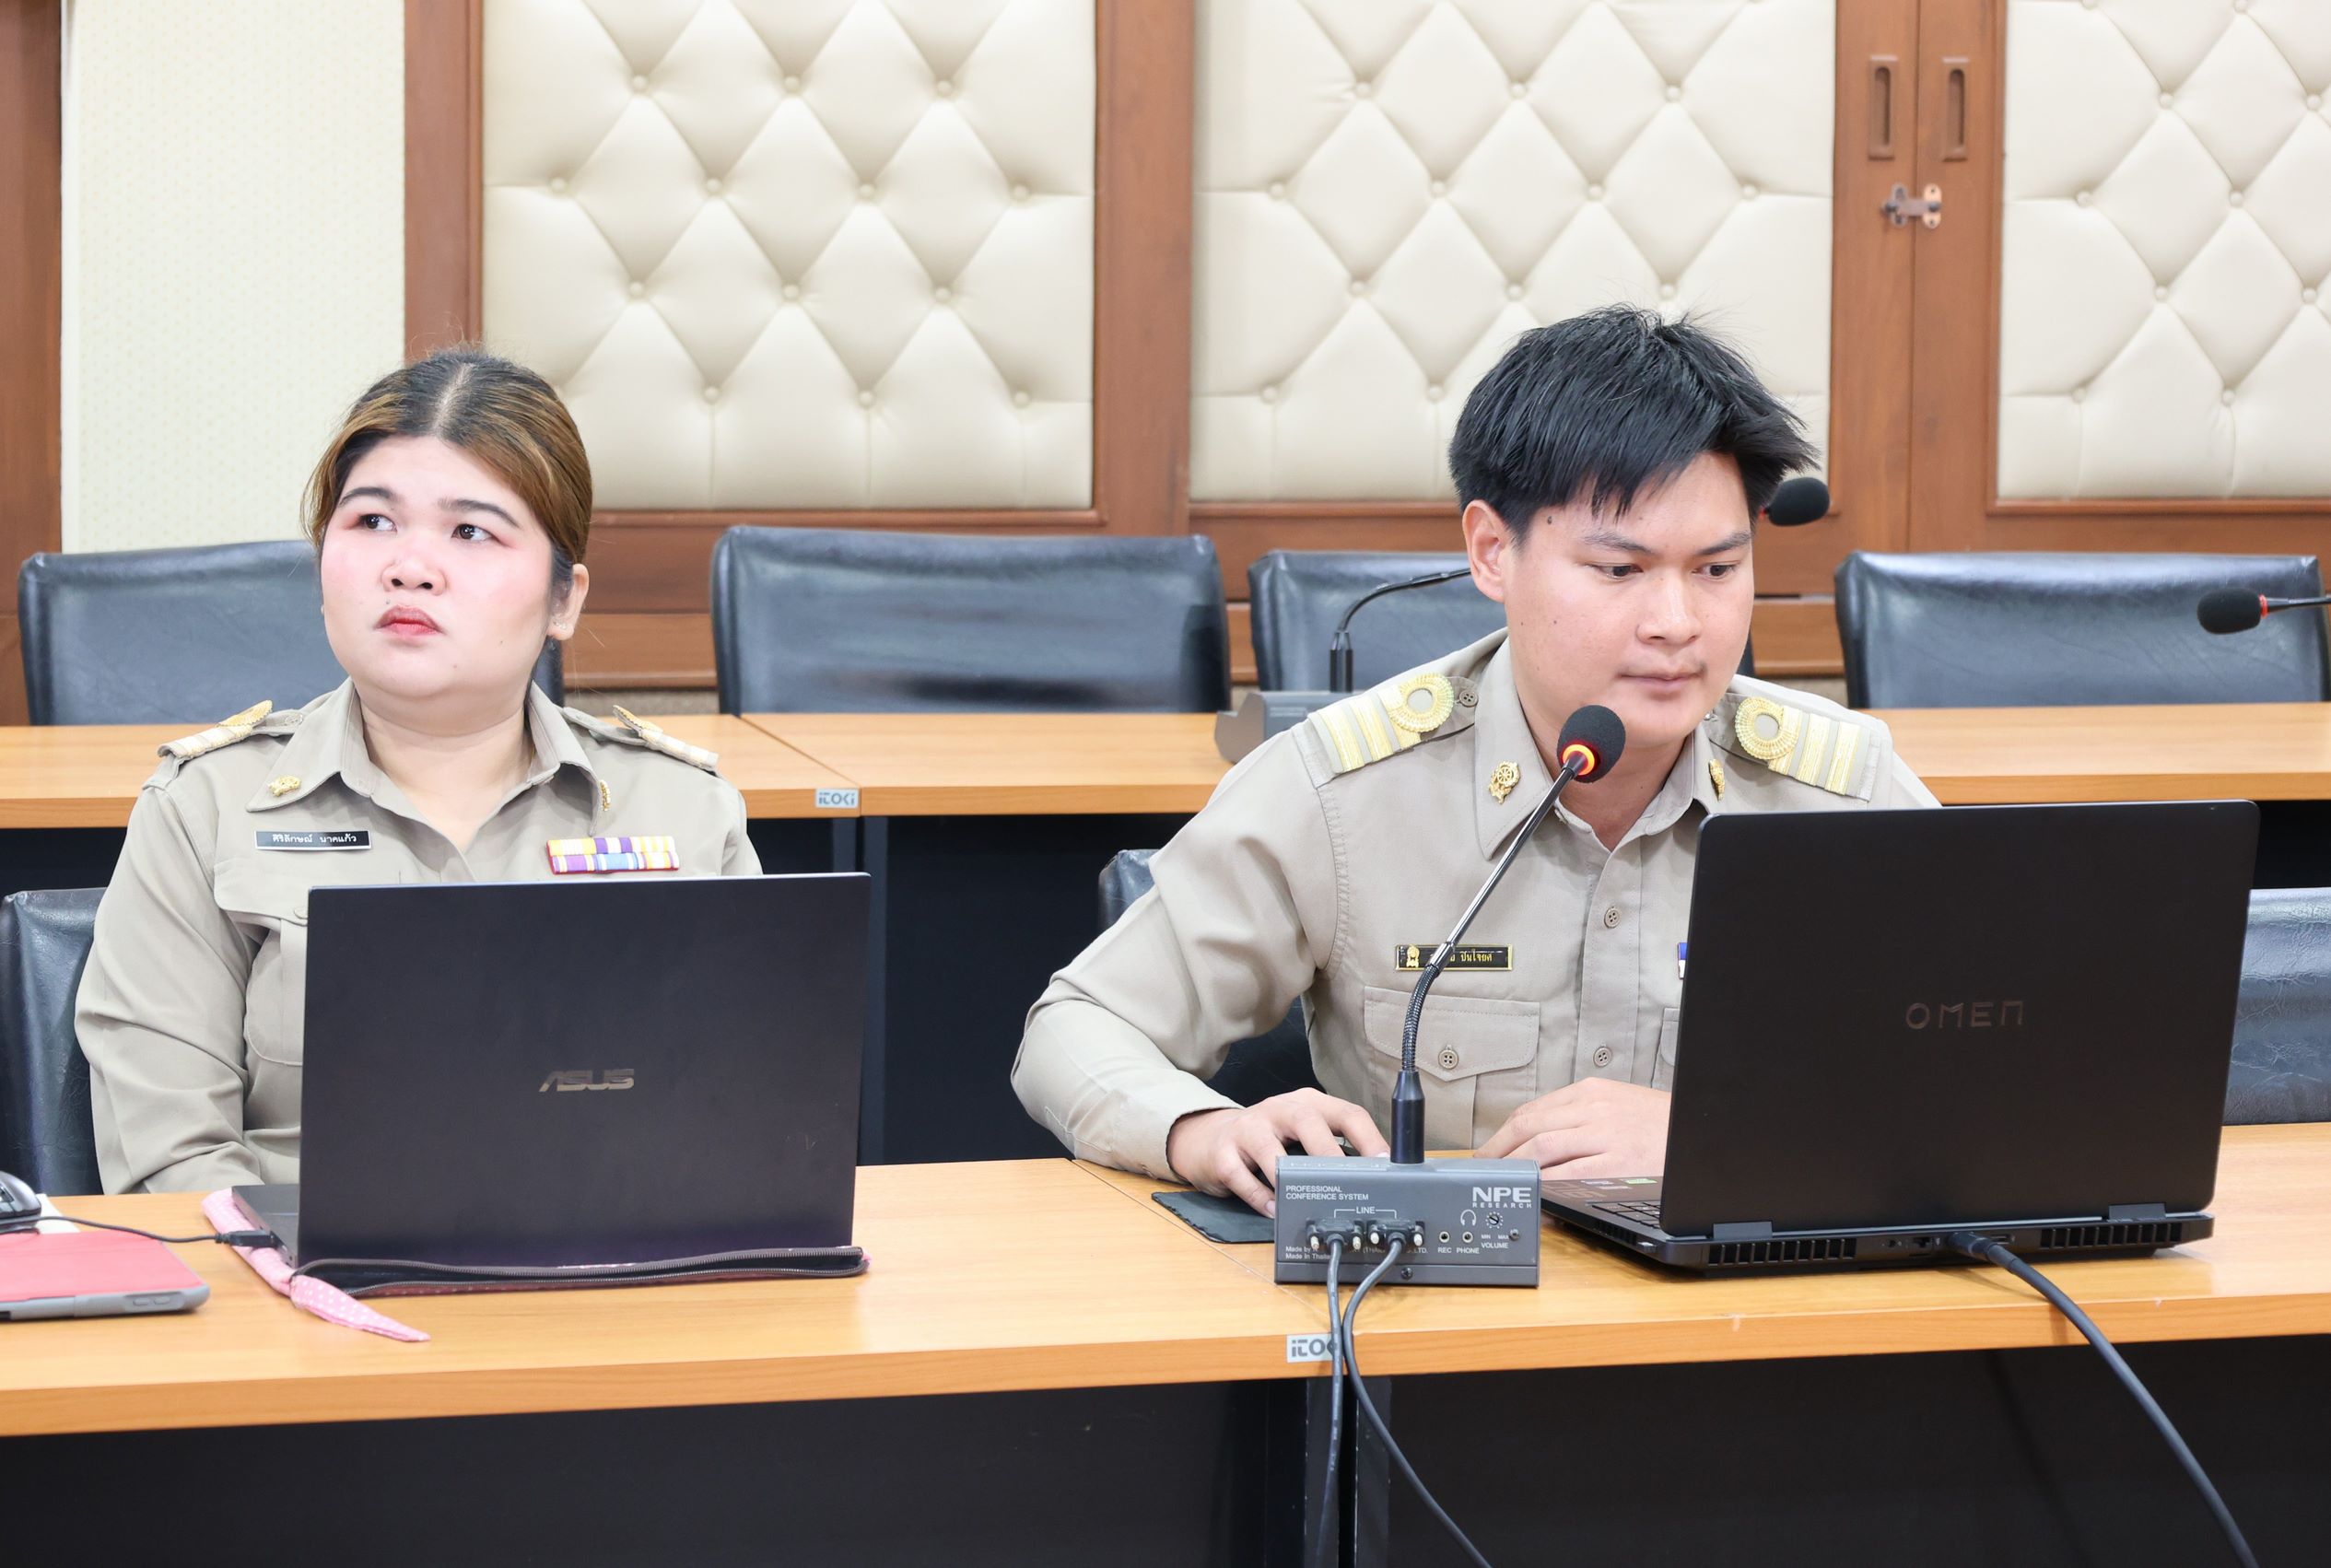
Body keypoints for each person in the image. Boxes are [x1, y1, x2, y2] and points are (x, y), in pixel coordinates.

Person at [1013, 307, 1939, 1215]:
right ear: (1493, 551)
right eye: (1620, 571)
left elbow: (1993, 1072)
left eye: (1717, 570)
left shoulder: (1842, 790)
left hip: (1759, 1302)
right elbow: (1078, 1027)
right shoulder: (1344, 791)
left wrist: (1720, 1134)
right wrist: (1200, 1129)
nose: (1676, 622)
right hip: (1432, 1300)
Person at [78, 348, 761, 1194]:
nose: (408, 566)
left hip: (617, 1263)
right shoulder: (205, 808)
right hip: (293, 1265)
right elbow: (173, 1162)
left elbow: (748, 1128)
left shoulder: (684, 811)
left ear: (564, 599)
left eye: (471, 531)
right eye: (372, 522)